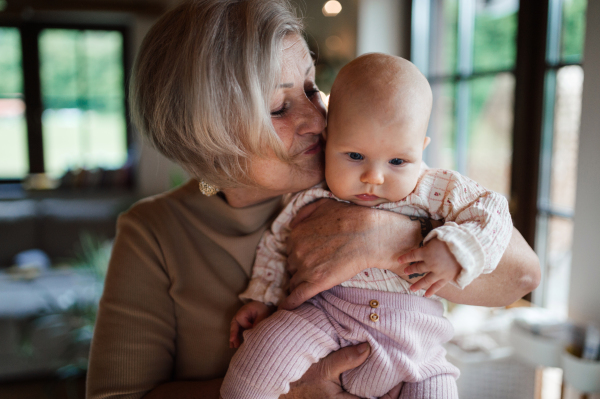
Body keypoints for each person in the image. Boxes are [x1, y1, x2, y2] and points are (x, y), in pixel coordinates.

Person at [85, 1, 541, 398]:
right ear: (210, 137)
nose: (319, 118)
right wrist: (287, 394)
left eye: (309, 87)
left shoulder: (368, 177)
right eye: (280, 108)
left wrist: (385, 239)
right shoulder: (153, 234)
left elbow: (521, 276)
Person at [221, 54, 512, 399]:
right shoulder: (310, 195)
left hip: (418, 348)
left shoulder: (434, 188)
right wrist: (263, 297)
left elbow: (492, 209)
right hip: (323, 318)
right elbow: (277, 245)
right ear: (328, 141)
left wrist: (457, 248)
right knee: (260, 355)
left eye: (398, 161)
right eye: (355, 156)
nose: (373, 177)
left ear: (420, 151)